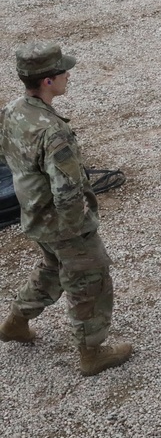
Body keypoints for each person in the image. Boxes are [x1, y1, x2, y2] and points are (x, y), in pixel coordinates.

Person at [0, 42, 132, 376]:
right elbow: (67, 191)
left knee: (52, 268)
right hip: (62, 223)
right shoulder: (52, 131)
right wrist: (81, 230)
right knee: (89, 280)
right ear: (47, 81)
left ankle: (16, 322)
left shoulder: (15, 109)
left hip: (34, 214)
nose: (68, 75)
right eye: (63, 71)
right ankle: (92, 353)